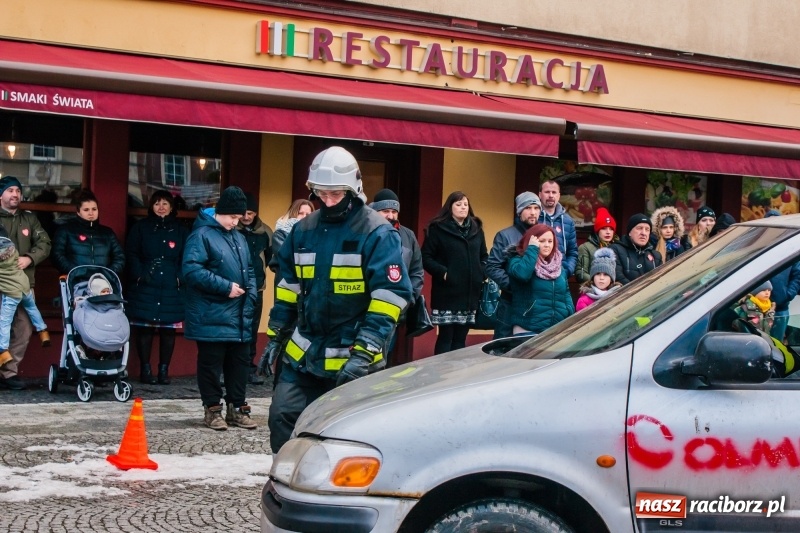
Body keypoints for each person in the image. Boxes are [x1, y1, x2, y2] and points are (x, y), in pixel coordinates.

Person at [266, 146, 411, 452]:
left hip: (354, 358)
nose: (328, 201)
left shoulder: (376, 233)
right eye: (321, 193)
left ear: (353, 189)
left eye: (335, 194)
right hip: (304, 354)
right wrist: (275, 335)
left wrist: (364, 353)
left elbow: (390, 298)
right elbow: (288, 288)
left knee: (343, 440)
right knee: (281, 417)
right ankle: (286, 484)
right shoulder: (303, 230)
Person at [183, 186, 257, 431]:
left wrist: (252, 296)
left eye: (239, 218)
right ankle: (212, 409)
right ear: (220, 212)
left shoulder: (239, 237)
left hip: (239, 313)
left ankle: (237, 408)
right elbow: (192, 271)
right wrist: (225, 287)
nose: (236, 222)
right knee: (211, 364)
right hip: (211, 312)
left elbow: (250, 271)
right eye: (233, 217)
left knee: (240, 363)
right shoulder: (201, 235)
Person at [125, 190, 189, 385]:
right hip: (146, 283)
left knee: (168, 330)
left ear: (171, 207)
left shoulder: (180, 230)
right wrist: (140, 274)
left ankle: (163, 370)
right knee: (145, 329)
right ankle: (145, 370)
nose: (161, 207)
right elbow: (131, 252)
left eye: (165, 203)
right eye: (157, 203)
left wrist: (179, 277)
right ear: (151, 207)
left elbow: (188, 257)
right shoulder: (141, 228)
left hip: (171, 284)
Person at [0, 176, 52, 390]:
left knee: (23, 329)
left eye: (18, 191)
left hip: (23, 286)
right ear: (1, 194)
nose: (15, 194)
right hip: (1, 283)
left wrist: (30, 257)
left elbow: (45, 242)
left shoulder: (30, 219)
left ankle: (8, 374)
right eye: (10, 190)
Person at [422, 191, 487, 354]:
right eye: (458, 204)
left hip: (470, 293)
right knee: (446, 337)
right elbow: (426, 257)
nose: (463, 208)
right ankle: (440, 374)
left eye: (465, 204)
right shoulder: (438, 228)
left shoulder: (476, 229)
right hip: (447, 293)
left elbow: (484, 256)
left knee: (460, 339)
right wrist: (444, 273)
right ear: (450, 207)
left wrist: (482, 273)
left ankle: (457, 375)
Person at [369, 188, 424, 359]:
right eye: (385, 211)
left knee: (383, 359)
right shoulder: (364, 231)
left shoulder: (408, 235)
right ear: (374, 211)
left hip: (395, 311)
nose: (391, 216)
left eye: (394, 211)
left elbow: (416, 271)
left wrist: (409, 298)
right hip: (366, 310)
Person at [485, 191, 541, 339]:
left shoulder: (544, 235)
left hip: (537, 302)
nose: (533, 212)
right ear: (519, 211)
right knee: (503, 346)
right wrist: (512, 285)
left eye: (536, 208)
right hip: (510, 302)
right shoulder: (505, 235)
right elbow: (492, 266)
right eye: (528, 208)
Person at [506, 224, 574, 334]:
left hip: (556, 330)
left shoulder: (557, 266)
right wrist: (532, 249)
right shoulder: (517, 261)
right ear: (531, 241)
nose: (547, 245)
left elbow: (566, 294)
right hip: (527, 328)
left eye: (550, 241)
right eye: (542, 241)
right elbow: (523, 275)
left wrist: (569, 314)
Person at [237, 192, 274, 385]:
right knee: (234, 329)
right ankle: (231, 370)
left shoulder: (265, 231)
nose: (246, 217)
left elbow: (270, 258)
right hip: (234, 289)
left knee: (251, 330)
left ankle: (249, 369)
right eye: (243, 213)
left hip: (256, 289)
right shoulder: (233, 229)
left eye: (250, 213)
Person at [0, 236, 50, 365]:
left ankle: (3, 351)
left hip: (11, 294)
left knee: (4, 322)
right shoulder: (14, 254)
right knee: (33, 309)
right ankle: (43, 332)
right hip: (25, 289)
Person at [52, 189, 125, 276]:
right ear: (78, 212)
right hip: (75, 281)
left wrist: (107, 273)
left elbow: (120, 257)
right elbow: (57, 256)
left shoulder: (108, 233)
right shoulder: (65, 231)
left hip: (103, 283)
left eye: (94, 209)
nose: (91, 213)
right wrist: (76, 272)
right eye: (86, 210)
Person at [538, 180, 578, 277]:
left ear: (559, 196)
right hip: (537, 275)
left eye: (554, 192)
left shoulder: (568, 221)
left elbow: (572, 252)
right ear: (540, 194)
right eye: (547, 192)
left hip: (561, 276)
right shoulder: (534, 218)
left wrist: (567, 270)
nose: (551, 195)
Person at [610, 213, 663, 285]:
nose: (643, 233)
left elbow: (660, 281)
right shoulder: (615, 250)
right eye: (639, 228)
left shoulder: (656, 256)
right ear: (630, 232)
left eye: (647, 229)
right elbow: (618, 277)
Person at [575, 207, 617, 284]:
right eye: (604, 228)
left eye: (611, 229)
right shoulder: (585, 247)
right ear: (597, 231)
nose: (608, 232)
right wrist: (599, 283)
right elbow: (581, 274)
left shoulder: (617, 248)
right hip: (592, 290)